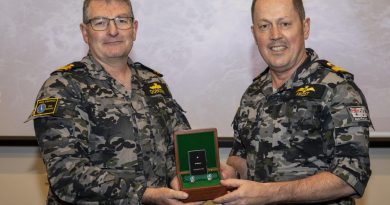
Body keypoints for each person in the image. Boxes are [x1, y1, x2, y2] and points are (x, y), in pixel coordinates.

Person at [27, 0, 196, 204]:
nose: (113, 31)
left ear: (134, 29)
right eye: (100, 22)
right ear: (84, 32)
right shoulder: (61, 87)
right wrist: (145, 195)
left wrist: (181, 178)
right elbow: (65, 173)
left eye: (122, 20)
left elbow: (176, 147)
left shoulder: (153, 82)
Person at [214, 0, 372, 204]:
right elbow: (242, 157)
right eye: (264, 26)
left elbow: (351, 177)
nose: (275, 35)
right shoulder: (253, 94)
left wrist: (270, 193)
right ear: (254, 34)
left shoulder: (338, 90)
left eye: (285, 24)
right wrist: (232, 172)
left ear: (305, 27)